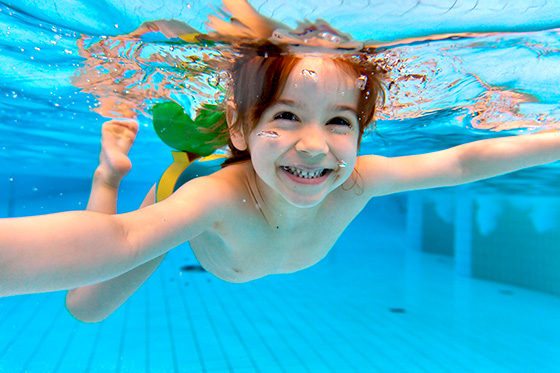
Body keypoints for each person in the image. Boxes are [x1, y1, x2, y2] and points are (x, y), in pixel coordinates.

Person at [2, 1, 560, 324]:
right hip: (192, 180)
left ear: (363, 133)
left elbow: (461, 163)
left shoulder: (358, 181)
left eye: (339, 122)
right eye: (287, 116)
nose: (315, 146)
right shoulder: (214, 195)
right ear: (243, 129)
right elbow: (118, 242)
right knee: (87, 306)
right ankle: (110, 174)